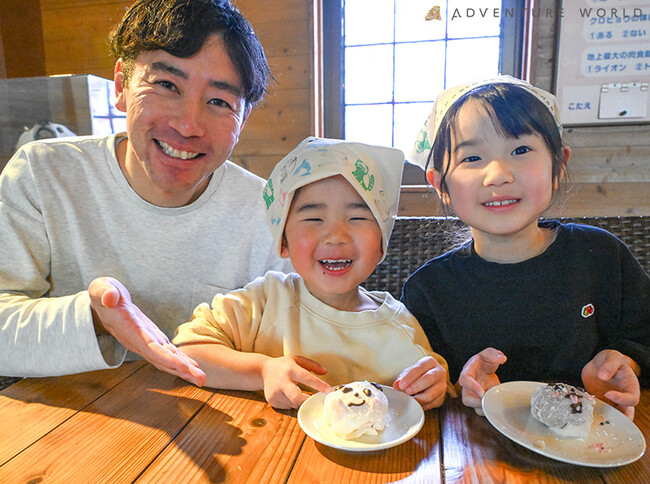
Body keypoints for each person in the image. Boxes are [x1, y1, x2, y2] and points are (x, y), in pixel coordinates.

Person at [0, 0, 290, 384]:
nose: (188, 126)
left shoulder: (268, 211)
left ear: (243, 118)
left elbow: (310, 325)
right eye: (167, 85)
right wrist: (97, 318)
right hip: (64, 413)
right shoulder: (43, 174)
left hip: (221, 415)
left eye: (219, 101)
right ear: (121, 84)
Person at [402, 76, 649, 419]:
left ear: (558, 165)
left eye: (520, 150)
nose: (498, 175)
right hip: (477, 445)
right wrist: (455, 386)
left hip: (596, 436)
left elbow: (642, 336)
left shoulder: (601, 257)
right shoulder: (428, 290)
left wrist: (626, 363)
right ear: (441, 185)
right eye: (472, 157)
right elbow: (426, 378)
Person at [173, 137, 454, 409]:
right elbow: (188, 348)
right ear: (283, 241)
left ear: (382, 243)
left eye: (357, 218)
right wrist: (263, 370)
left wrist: (434, 386)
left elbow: (436, 387)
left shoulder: (400, 324)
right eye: (313, 218)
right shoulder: (264, 302)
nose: (335, 236)